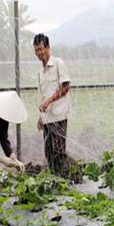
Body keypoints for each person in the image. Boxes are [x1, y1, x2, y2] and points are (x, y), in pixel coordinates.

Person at [33, 33, 71, 177]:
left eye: (42, 49)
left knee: (58, 152)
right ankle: (54, 179)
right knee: (48, 152)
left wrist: (49, 101)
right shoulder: (40, 72)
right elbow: (42, 95)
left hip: (59, 115)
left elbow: (66, 87)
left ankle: (63, 180)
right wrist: (41, 117)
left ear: (48, 47)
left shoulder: (57, 64)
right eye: (37, 50)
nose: (40, 53)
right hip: (48, 118)